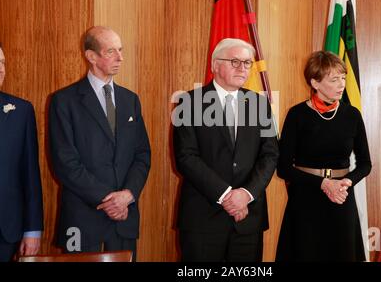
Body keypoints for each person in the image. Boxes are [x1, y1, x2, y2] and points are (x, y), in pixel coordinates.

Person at [49, 27, 151, 261]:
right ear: (91, 57)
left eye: (121, 50)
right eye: (111, 51)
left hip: (124, 217)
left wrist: (127, 195)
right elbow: (65, 162)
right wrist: (108, 199)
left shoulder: (130, 100)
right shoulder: (64, 101)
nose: (120, 58)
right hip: (82, 219)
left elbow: (142, 155)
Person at [172, 38, 279, 262]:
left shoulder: (259, 104)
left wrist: (246, 194)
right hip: (203, 218)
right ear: (215, 66)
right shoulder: (188, 103)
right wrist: (227, 196)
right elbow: (186, 157)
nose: (243, 68)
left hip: (248, 220)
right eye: (235, 61)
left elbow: (270, 155)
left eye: (247, 63)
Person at [276, 51, 371, 261]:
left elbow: (365, 164)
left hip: (341, 196)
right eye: (334, 79)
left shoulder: (352, 115)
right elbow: (283, 168)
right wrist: (323, 184)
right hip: (306, 198)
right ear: (315, 83)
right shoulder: (297, 114)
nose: (341, 84)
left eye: (343, 78)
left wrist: (347, 181)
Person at [0, 44, 44, 262]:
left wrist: (32, 229)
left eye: (2, 63)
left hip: (6, 232)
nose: (1, 69)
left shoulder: (21, 111)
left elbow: (30, 174)